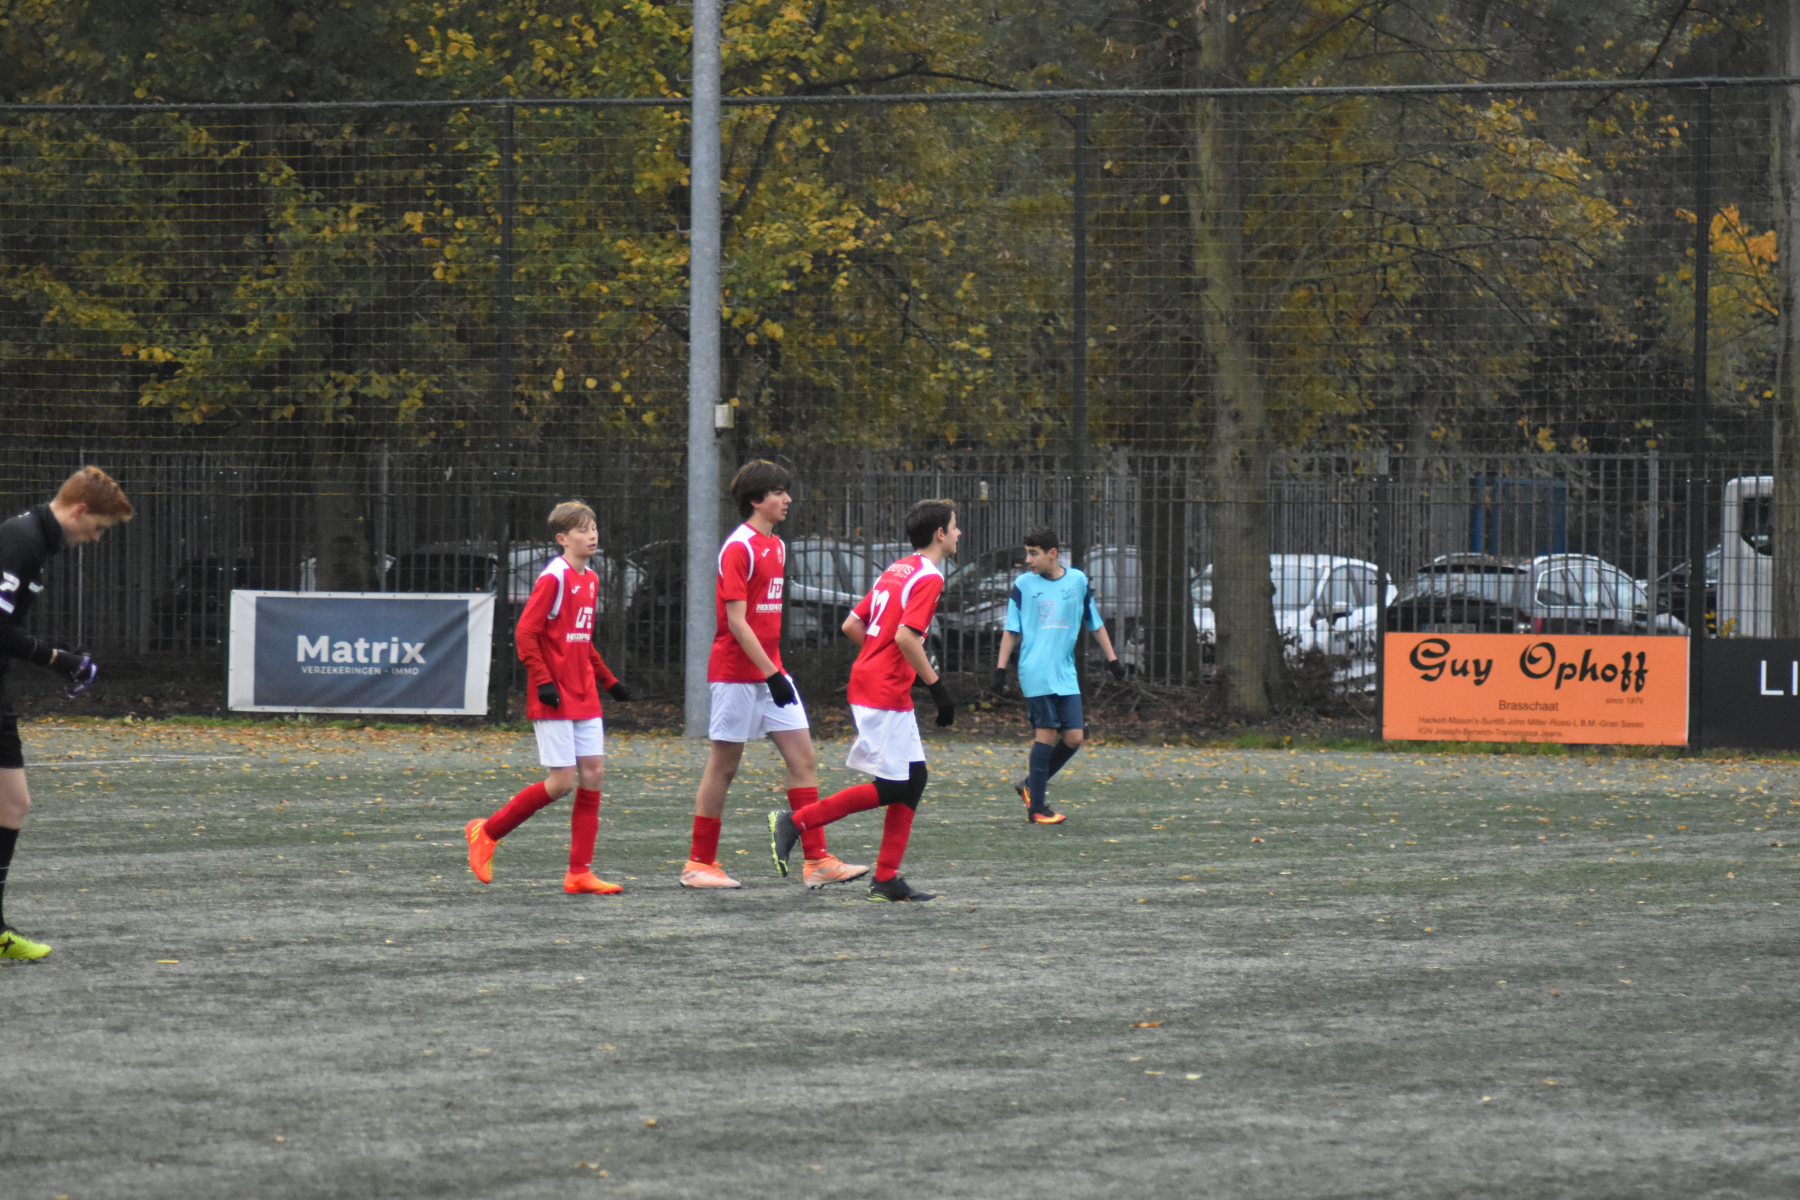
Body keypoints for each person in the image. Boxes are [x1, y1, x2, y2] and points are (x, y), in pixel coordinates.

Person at [681, 461, 865, 889]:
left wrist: (774, 673)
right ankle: (698, 865)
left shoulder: (777, 546)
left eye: (786, 491)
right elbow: (737, 622)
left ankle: (817, 861)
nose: (787, 499)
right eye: (779, 492)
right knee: (724, 766)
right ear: (755, 500)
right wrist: (771, 674)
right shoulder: (738, 547)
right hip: (737, 675)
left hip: (771, 674)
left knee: (803, 760)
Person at [769, 498, 959, 902]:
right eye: (955, 526)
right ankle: (796, 822)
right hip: (882, 689)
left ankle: (886, 879)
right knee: (893, 786)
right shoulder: (929, 576)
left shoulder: (898, 568)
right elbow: (906, 637)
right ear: (940, 533)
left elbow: (852, 624)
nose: (959, 533)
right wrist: (936, 687)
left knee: (914, 779)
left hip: (876, 683)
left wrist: (881, 657)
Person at [465, 501, 633, 895]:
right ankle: (486, 832)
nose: (592, 535)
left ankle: (579, 873)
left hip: (585, 694)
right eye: (582, 530)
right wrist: (543, 682)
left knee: (593, 775)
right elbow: (525, 632)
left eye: (593, 527)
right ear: (562, 538)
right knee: (562, 782)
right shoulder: (554, 577)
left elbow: (582, 641)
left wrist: (609, 682)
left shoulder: (591, 579)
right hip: (554, 696)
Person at [0, 467, 130, 961]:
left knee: (12, 804)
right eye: (98, 527)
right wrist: (60, 660)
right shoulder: (20, 541)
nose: (96, 538)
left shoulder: (35, 542)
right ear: (79, 510)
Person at [992, 524, 1125, 825]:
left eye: (1034, 553)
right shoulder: (1023, 585)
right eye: (1027, 553)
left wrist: (1113, 659)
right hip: (1035, 671)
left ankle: (1030, 785)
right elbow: (1011, 630)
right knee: (1047, 734)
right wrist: (1000, 669)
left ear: (1053, 553)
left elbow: (1094, 621)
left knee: (1075, 737)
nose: (1028, 560)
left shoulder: (1077, 581)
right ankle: (1037, 808)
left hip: (1065, 673)